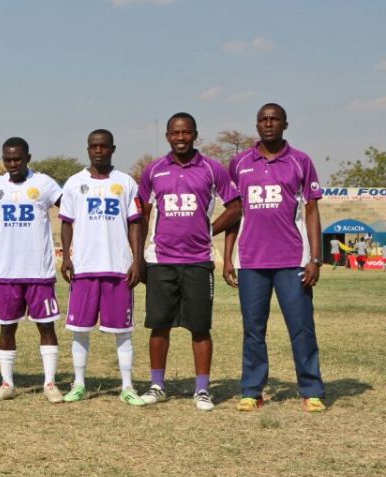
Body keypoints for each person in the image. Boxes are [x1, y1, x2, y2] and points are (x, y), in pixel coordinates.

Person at [223, 103, 326, 413]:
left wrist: (316, 258)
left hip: (292, 260)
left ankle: (311, 390)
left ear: (285, 124)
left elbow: (311, 210)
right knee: (253, 329)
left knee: (302, 327)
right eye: (263, 119)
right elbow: (234, 212)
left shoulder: (300, 161)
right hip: (251, 261)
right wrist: (227, 258)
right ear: (257, 125)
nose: (268, 123)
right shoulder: (240, 163)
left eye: (274, 119)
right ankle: (252, 391)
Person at [136, 112, 242, 412]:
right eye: (175, 133)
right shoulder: (154, 170)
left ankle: (202, 389)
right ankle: (157, 386)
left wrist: (209, 229)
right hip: (160, 260)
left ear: (195, 135)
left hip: (198, 260)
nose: (180, 138)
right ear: (167, 136)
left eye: (186, 132)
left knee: (200, 327)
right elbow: (141, 214)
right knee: (159, 326)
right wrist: (139, 257)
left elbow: (235, 207)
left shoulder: (212, 168)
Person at [59, 129, 146, 405]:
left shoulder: (126, 182)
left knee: (123, 331)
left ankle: (127, 387)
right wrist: (66, 257)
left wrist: (137, 259)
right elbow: (66, 222)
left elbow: (135, 223)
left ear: (112, 149)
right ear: (88, 149)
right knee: (79, 328)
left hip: (117, 268)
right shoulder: (74, 183)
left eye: (104, 146)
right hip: (84, 268)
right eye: (94, 147)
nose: (98, 151)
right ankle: (79, 384)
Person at [0, 137, 65, 403]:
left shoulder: (44, 184)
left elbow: (70, 209)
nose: (13, 164)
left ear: (28, 158)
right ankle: (7, 383)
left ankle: (50, 383)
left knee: (46, 326)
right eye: (8, 159)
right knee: (6, 329)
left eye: (17, 159)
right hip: (6, 271)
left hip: (38, 271)